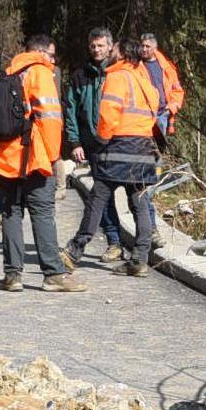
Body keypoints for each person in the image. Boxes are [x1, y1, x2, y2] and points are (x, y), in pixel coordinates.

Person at [0, 34, 86, 293]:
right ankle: (53, 274)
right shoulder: (40, 73)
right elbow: (50, 119)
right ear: (41, 53)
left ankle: (12, 276)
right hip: (34, 157)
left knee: (11, 214)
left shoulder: (6, 73)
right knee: (42, 213)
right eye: (52, 54)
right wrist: (53, 158)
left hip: (4, 158)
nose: (54, 60)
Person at [67, 36, 160, 276]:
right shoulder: (144, 79)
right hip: (144, 148)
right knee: (140, 203)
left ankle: (74, 251)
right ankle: (139, 259)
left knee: (98, 198)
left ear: (122, 54)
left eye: (113, 49)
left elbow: (108, 116)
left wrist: (99, 142)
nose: (109, 52)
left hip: (119, 147)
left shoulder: (117, 77)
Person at [63, 26, 127, 260]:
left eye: (101, 45)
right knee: (102, 193)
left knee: (131, 194)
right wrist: (75, 142)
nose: (97, 50)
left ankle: (139, 245)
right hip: (92, 144)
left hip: (118, 142)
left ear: (111, 46)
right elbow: (71, 110)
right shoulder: (80, 75)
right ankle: (114, 242)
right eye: (93, 46)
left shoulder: (119, 72)